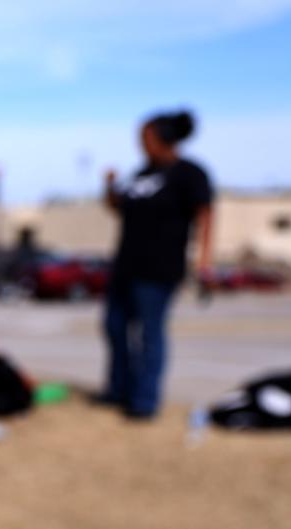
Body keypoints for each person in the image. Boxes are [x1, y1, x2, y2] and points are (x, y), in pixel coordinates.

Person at [100, 109, 213, 419]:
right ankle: (118, 390)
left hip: (159, 270)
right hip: (125, 266)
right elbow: (118, 208)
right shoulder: (140, 174)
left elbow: (205, 216)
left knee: (150, 334)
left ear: (164, 138)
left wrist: (204, 262)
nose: (142, 144)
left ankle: (144, 401)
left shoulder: (190, 173)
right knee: (113, 327)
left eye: (146, 138)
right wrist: (109, 186)